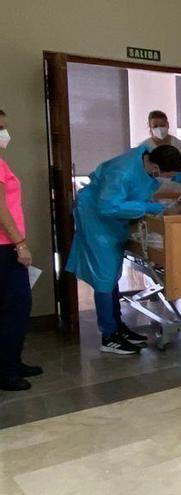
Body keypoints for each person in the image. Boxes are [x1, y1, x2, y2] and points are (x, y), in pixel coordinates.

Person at [65, 145, 181, 355]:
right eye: (168, 176)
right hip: (97, 218)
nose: (169, 180)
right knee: (104, 277)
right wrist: (155, 208)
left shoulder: (150, 157)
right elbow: (109, 206)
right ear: (157, 168)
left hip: (114, 219)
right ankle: (109, 336)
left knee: (112, 274)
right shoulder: (122, 172)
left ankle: (117, 327)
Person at [0, 110, 42, 391]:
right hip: (4, 247)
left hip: (6, 245)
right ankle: (6, 371)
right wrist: (20, 244)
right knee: (14, 307)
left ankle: (12, 362)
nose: (5, 133)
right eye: (1, 127)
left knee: (14, 306)